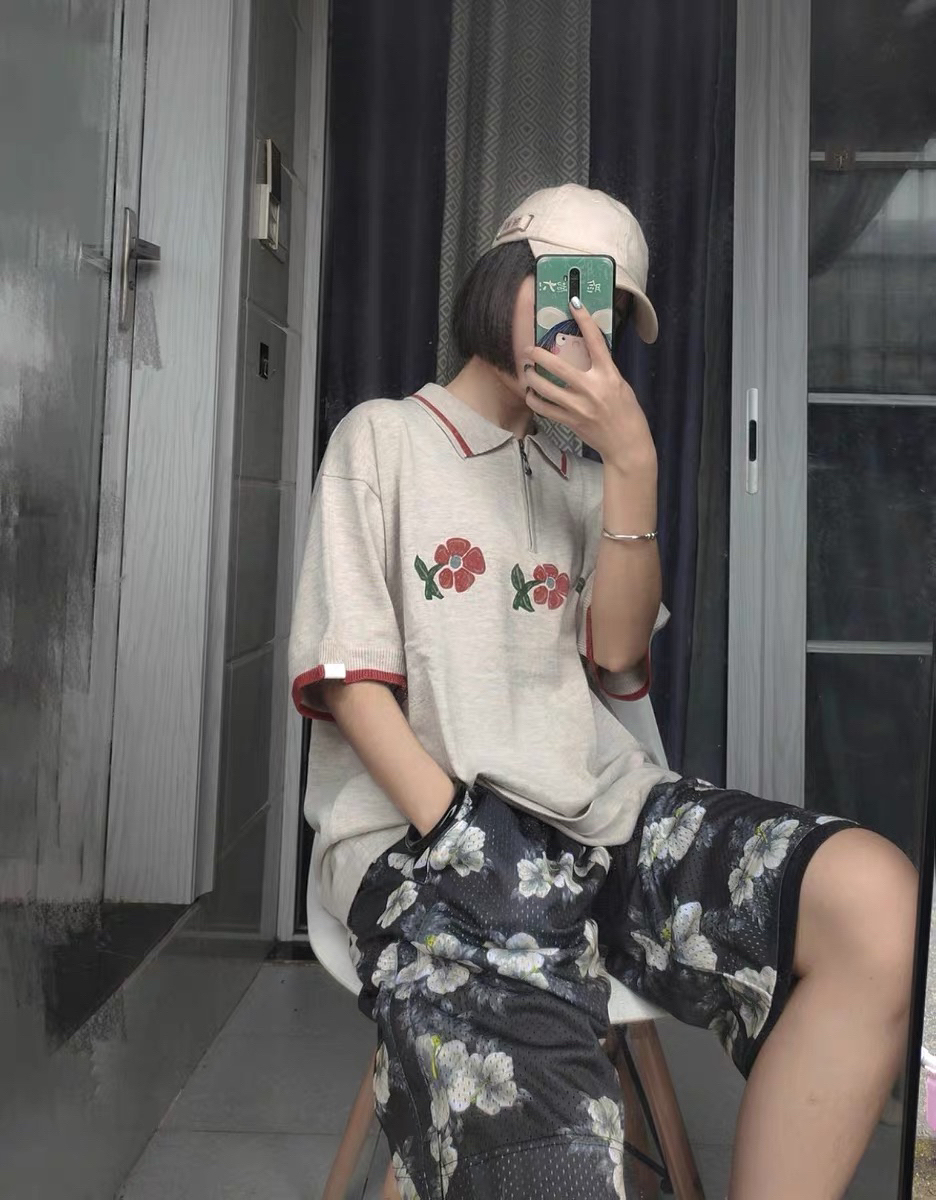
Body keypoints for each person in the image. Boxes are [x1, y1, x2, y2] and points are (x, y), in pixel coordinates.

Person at [288, 183, 917, 1199]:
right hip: (423, 836)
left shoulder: (585, 476)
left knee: (877, 904)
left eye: (608, 313)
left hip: (601, 818)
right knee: (553, 1161)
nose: (583, 329)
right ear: (501, 278)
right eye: (566, 293)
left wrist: (632, 462)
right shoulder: (383, 439)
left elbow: (617, 657)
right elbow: (353, 683)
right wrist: (463, 835)